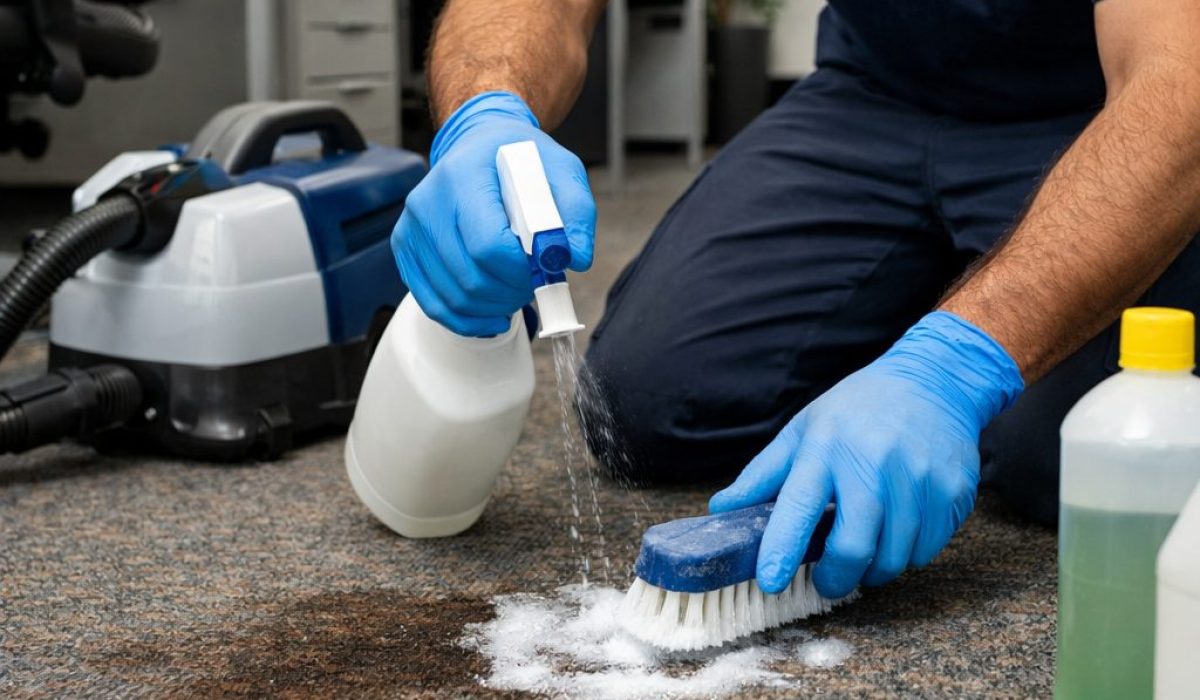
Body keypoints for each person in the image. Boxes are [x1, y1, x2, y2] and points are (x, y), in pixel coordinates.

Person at [391, 0, 1200, 600]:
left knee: (1064, 454)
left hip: (1107, 104)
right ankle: (929, 294)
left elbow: (1180, 86)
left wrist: (955, 363)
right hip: (873, 96)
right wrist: (488, 108)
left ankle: (952, 316)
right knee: (651, 399)